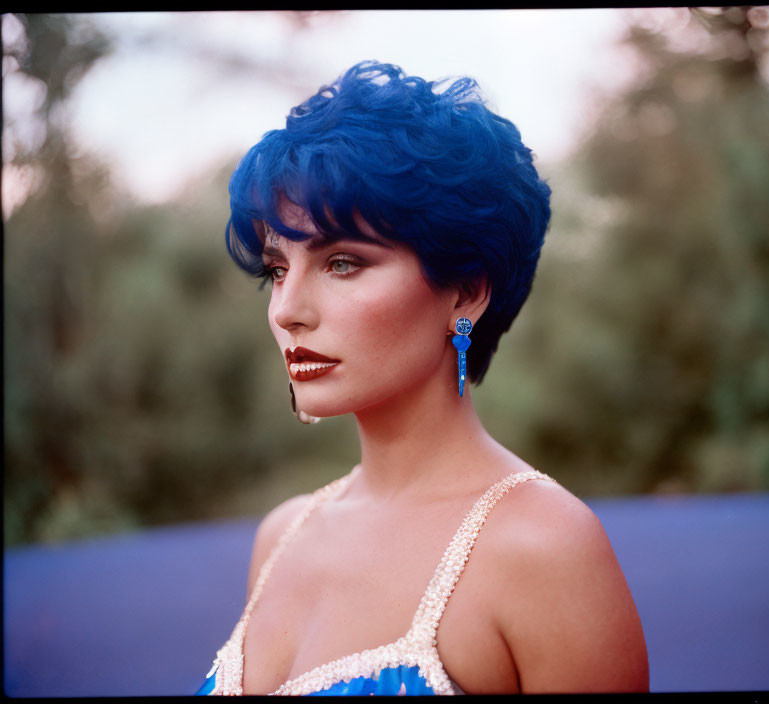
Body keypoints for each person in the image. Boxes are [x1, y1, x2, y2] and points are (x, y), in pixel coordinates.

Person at [197, 60, 648, 696]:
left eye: (343, 262)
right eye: (277, 268)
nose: (286, 310)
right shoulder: (281, 535)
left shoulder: (544, 548)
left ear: (465, 291)